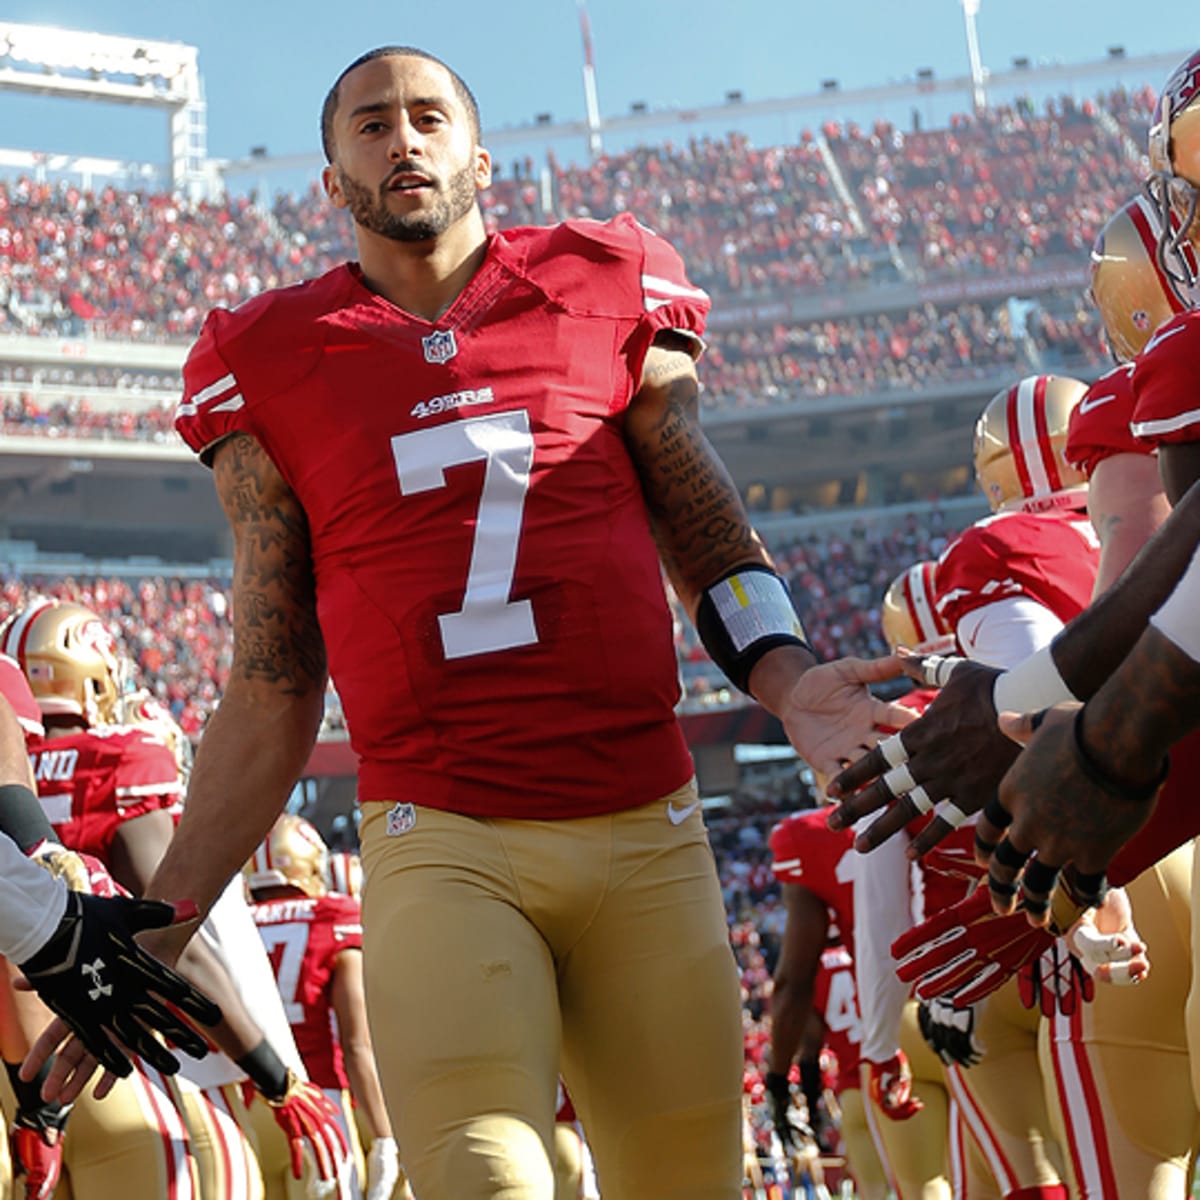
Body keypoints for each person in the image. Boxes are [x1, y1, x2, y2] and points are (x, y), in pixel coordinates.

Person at [128, 44, 907, 1200]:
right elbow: (273, 674)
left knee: (686, 1180)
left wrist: (789, 685)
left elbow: (705, 533)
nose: (404, 138)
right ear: (333, 179)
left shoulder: (605, 280)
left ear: (480, 155)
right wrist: (160, 920)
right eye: (372, 123)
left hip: (644, 824)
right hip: (440, 833)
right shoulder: (267, 356)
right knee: (486, 1175)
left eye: (429, 116)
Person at [3, 597, 348, 1195]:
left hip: (19, 1071)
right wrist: (276, 1078)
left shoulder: (23, 768)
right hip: (119, 1061)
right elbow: (170, 930)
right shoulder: (117, 758)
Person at [246, 813, 397, 1200]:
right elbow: (356, 1046)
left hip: (246, 1106)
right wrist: (385, 1136)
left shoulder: (240, 922)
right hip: (318, 1105)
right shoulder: (334, 916)